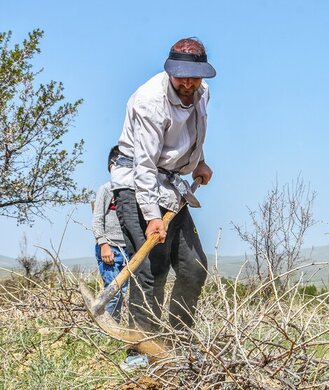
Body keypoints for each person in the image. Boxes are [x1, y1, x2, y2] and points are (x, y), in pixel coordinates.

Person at [110, 37, 215, 370]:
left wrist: (198, 161)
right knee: (150, 270)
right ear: (170, 71)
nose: (188, 83)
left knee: (193, 267)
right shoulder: (149, 101)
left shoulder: (202, 93)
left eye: (194, 77)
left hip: (172, 182)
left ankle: (176, 342)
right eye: (181, 76)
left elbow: (190, 137)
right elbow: (143, 164)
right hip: (135, 180)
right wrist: (152, 216)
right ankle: (140, 351)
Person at [91, 145, 128, 322]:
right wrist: (103, 244)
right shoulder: (106, 190)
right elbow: (97, 219)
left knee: (124, 291)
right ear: (111, 166)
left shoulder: (131, 192)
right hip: (110, 248)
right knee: (112, 291)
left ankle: (115, 325)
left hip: (127, 249)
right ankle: (106, 330)